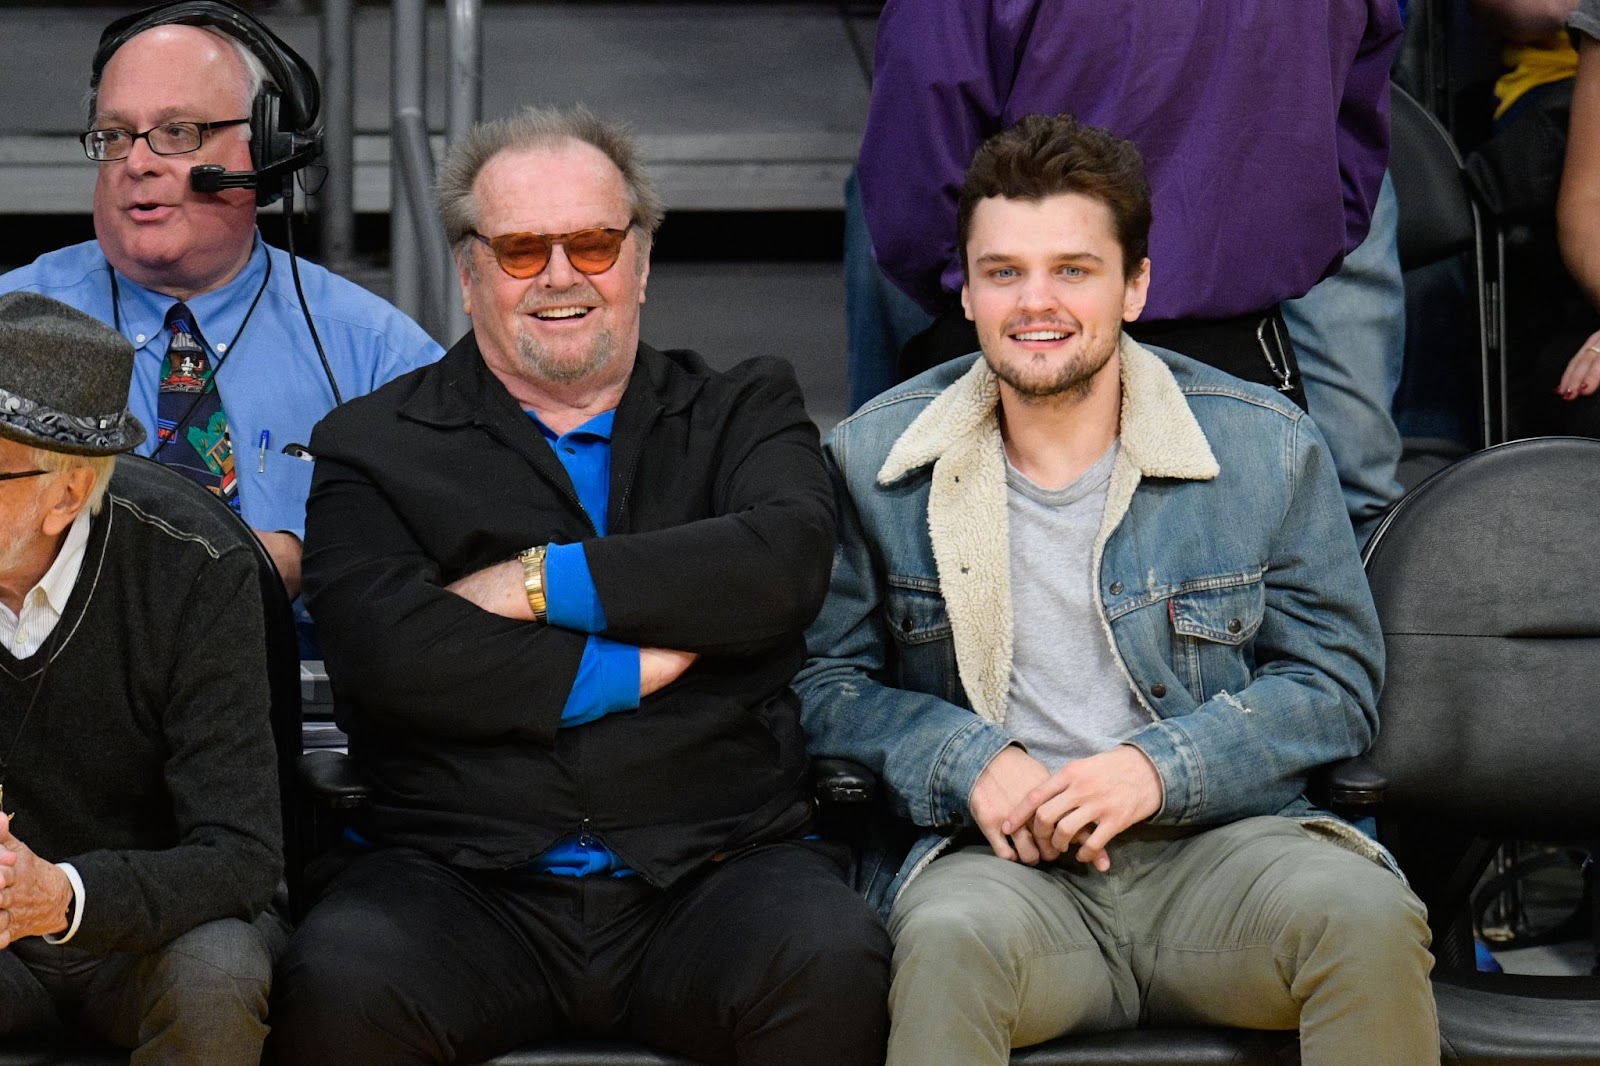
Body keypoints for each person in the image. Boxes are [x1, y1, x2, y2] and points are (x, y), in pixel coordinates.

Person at [798, 114, 1438, 1065]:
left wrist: (1157, 767)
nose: (1036, 302)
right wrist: (966, 756)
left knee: (1364, 917)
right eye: (1004, 272)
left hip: (1224, 852)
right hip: (1003, 876)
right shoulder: (876, 458)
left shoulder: (1262, 444)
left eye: (1074, 269)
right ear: (966, 293)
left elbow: (1335, 682)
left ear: (1135, 284)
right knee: (943, 944)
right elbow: (822, 688)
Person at [268, 105, 890, 1066]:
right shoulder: (371, 445)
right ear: (470, 272)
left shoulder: (743, 410)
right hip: (455, 882)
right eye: (521, 250)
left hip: (717, 868)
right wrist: (634, 662)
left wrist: (537, 582)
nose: (562, 275)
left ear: (640, 261)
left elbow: (783, 565)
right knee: (342, 980)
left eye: (594, 243)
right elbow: (390, 657)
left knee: (831, 962)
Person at [854, 0, 1407, 536]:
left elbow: (913, 187)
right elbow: (1352, 168)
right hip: (1240, 361)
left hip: (1031, 354)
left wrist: (989, 283)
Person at [0, 0, 441, 600]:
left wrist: (314, 560)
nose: (138, 163)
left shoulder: (379, 355)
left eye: (176, 133)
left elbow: (458, 550)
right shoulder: (12, 325)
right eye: (115, 136)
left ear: (265, 149)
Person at [0, 292, 283, 1064]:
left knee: (218, 975)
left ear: (64, 496)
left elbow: (242, 854)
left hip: (153, 931)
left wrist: (65, 896)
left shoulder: (193, 570)